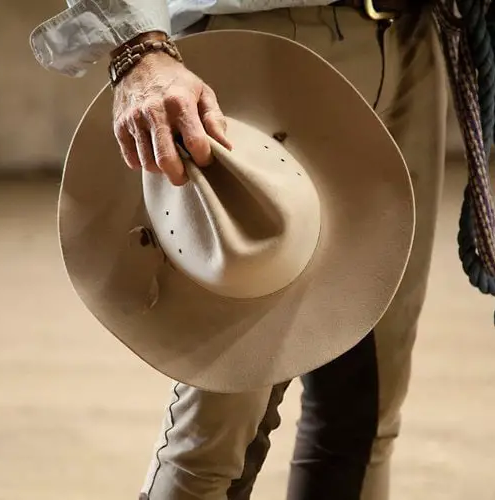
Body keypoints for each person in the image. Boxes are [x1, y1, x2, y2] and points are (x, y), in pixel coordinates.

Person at [30, 0, 446, 498]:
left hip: (412, 35)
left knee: (364, 415)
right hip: (260, 36)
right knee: (212, 443)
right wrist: (135, 47)